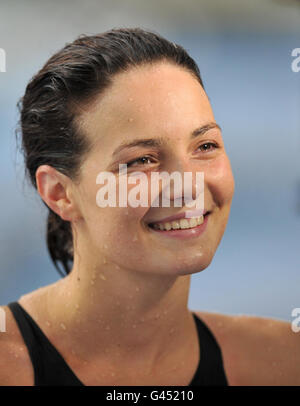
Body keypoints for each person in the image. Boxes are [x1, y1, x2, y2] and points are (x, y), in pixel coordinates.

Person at [0, 27, 299, 386]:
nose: (188, 185)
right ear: (60, 193)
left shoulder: (282, 361)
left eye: (205, 146)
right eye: (142, 159)